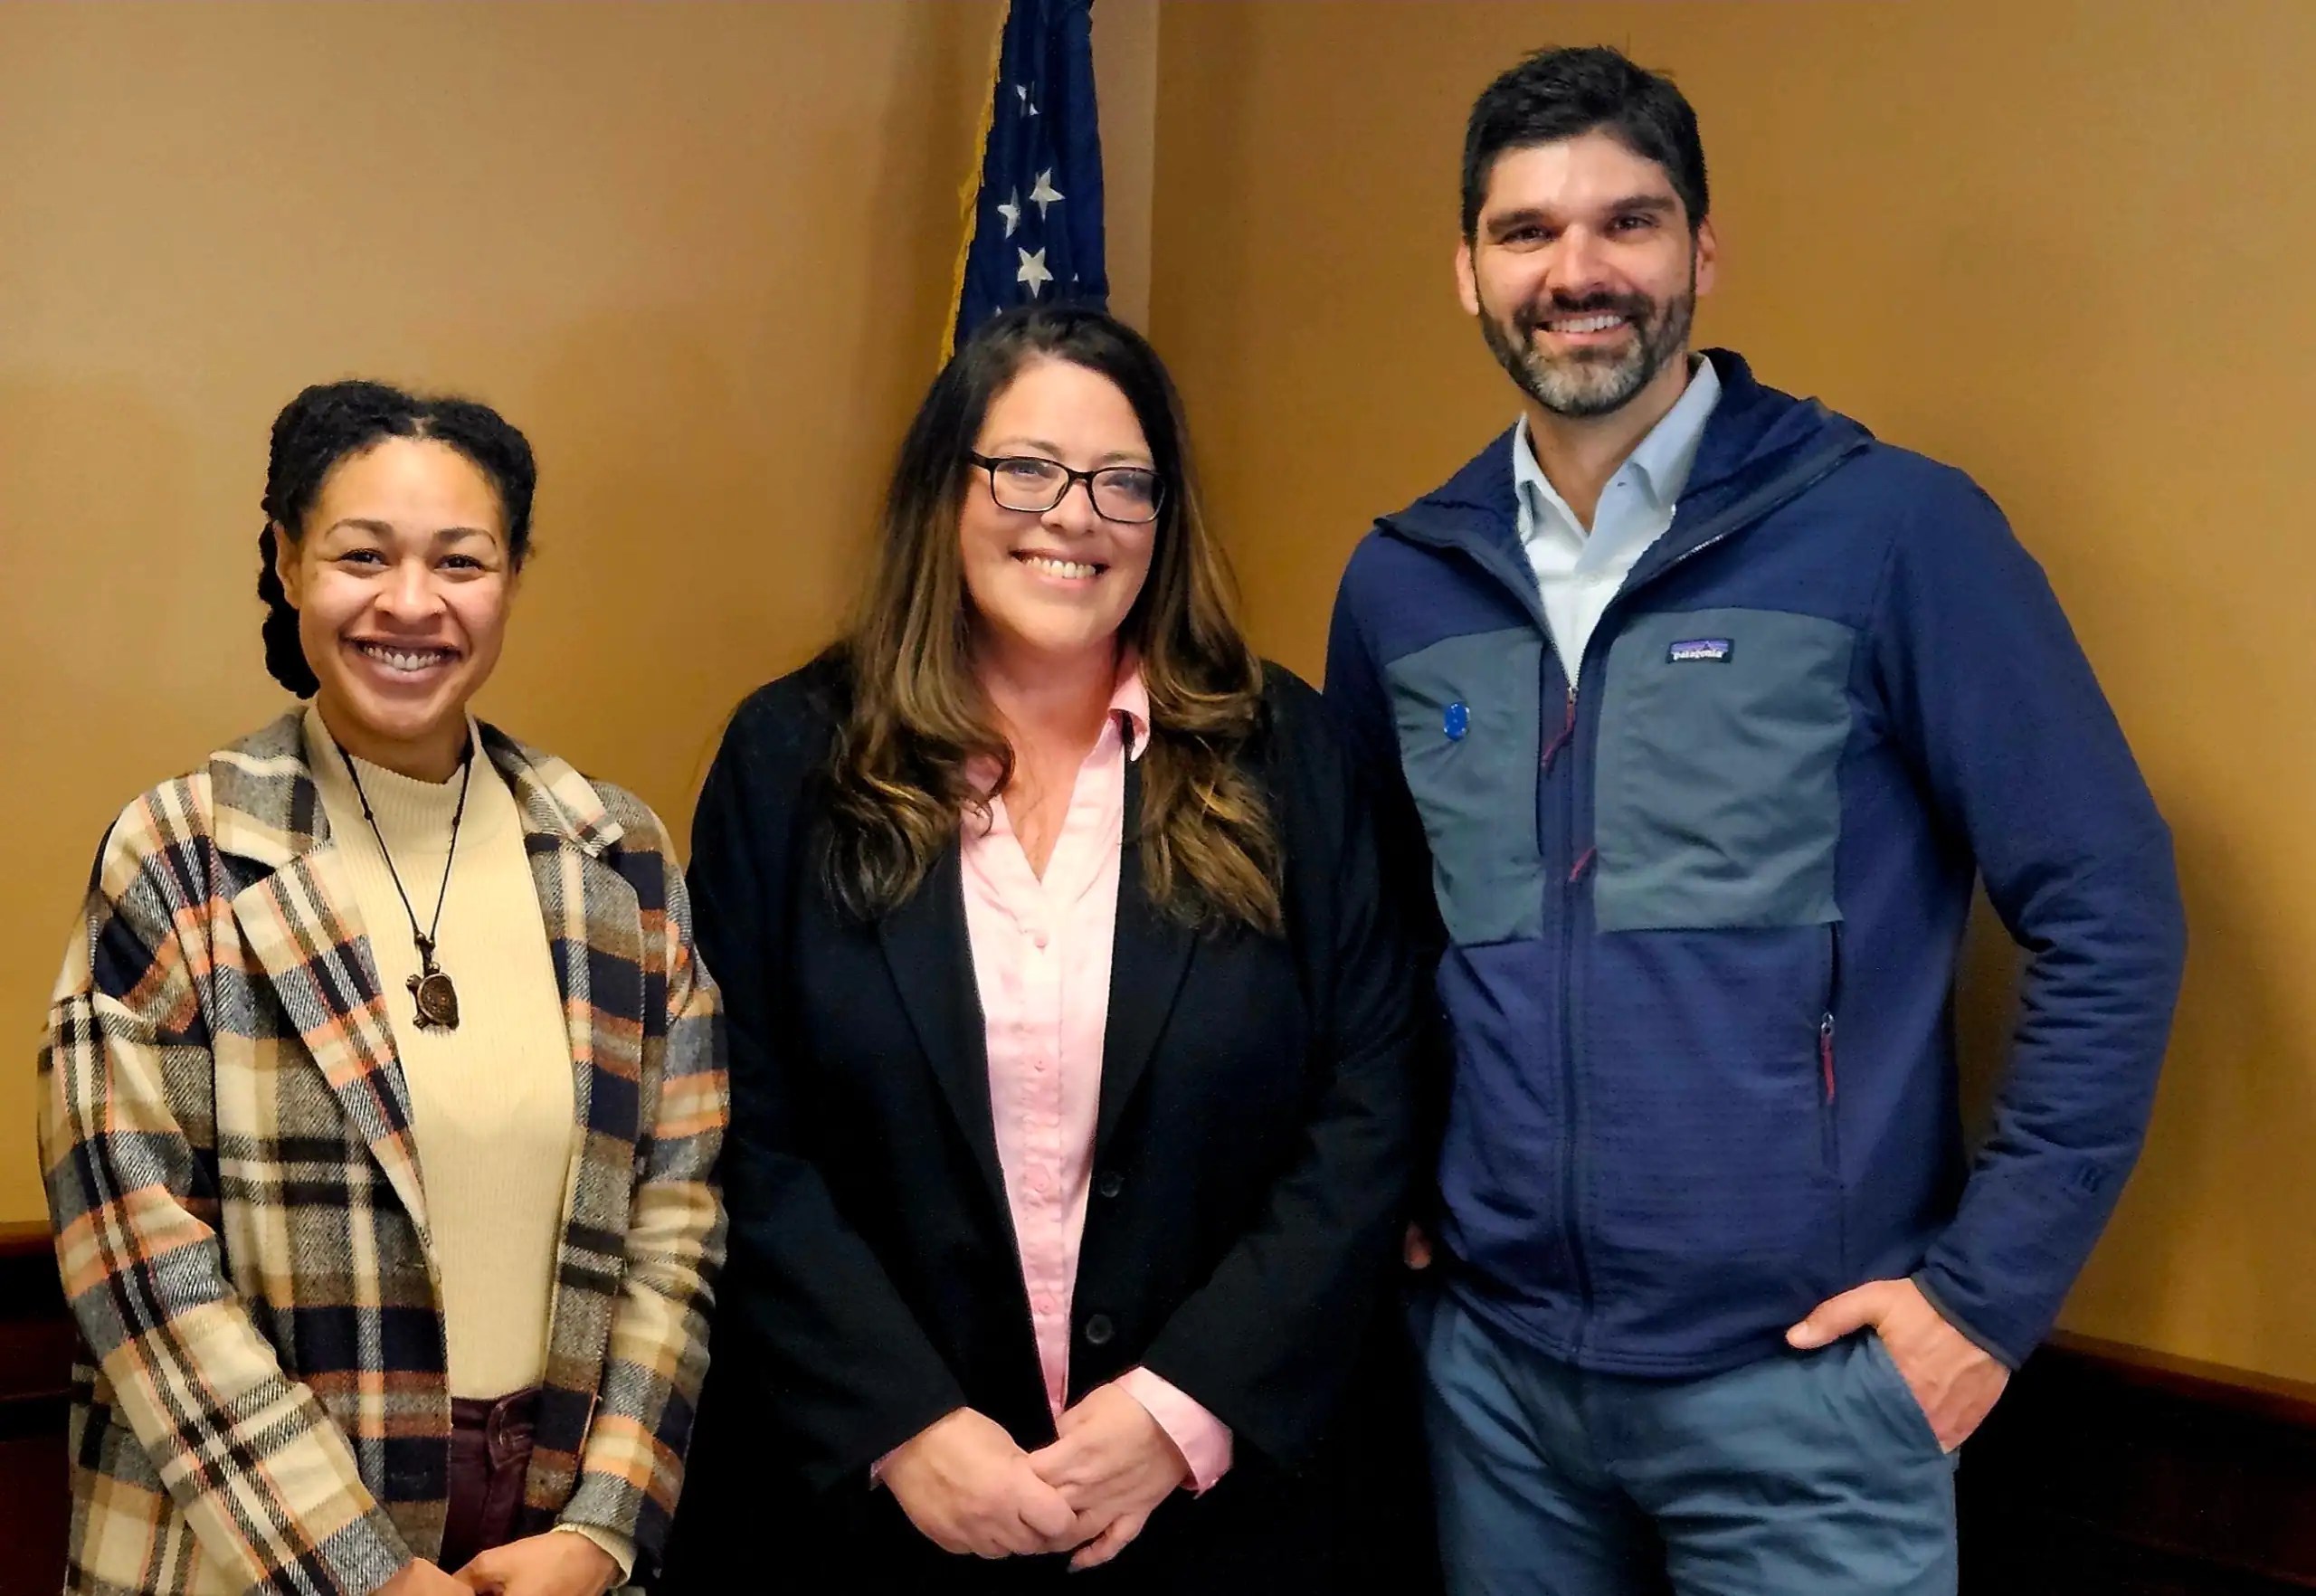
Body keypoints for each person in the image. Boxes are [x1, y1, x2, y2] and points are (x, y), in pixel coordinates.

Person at [1322, 45, 2188, 1596]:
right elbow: (1374, 938)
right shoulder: (1401, 585)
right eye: (1526, 233)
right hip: (1496, 1394)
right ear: (1465, 273)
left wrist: (1985, 1304)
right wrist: (1393, 1193)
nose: (1578, 272)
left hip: (1810, 1403)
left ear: (1703, 253)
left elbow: (2109, 903)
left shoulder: (1890, 529)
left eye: (1628, 224)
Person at [663, 304, 1417, 1591]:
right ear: (942, 492)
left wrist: (1182, 1407)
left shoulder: (1289, 755)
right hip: (879, 1512)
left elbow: (1371, 1104)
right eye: (1026, 470)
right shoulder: (790, 762)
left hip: (1227, 1511)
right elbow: (741, 1131)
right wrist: (900, 1421)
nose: (1075, 514)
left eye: (1124, 483)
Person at [37, 381, 727, 1596]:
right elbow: (139, 1265)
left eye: (461, 561)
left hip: (544, 1550)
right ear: (288, 561)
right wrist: (363, 1571)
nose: (412, 603)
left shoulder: (617, 862)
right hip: (239, 1556)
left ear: (509, 578)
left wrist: (603, 1528)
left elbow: (675, 1230)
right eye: (364, 555)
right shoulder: (181, 859)